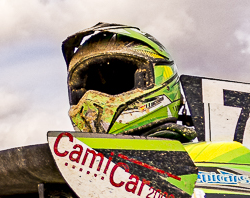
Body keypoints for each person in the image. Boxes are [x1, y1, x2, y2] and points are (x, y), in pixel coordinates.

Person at [60, 23, 198, 139]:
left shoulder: (204, 158)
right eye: (86, 89)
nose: (92, 98)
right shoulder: (77, 164)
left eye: (122, 83)